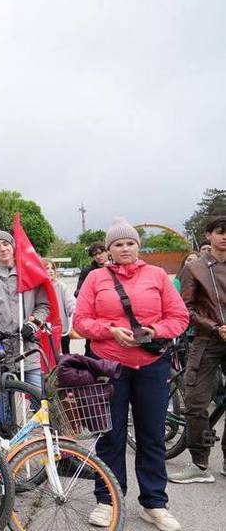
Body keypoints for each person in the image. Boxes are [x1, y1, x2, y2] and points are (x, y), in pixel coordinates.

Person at [74, 218, 189, 531]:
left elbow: (179, 317)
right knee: (110, 436)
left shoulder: (157, 276)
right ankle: (107, 499)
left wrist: (153, 331)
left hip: (152, 366)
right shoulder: (96, 278)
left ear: (139, 246)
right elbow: (81, 320)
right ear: (109, 250)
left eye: (130, 243)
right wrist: (110, 331)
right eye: (118, 244)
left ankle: (154, 503)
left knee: (152, 435)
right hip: (108, 365)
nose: (124, 249)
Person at [169, 216, 226, 484]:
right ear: (209, 235)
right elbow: (186, 309)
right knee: (196, 403)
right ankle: (200, 464)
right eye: (219, 232)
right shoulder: (195, 268)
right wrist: (215, 327)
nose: (224, 237)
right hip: (206, 339)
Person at [0, 230, 49, 392]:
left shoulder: (29, 274)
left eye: (6, 244)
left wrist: (32, 325)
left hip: (25, 347)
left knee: (40, 399)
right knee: (2, 405)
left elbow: (43, 306)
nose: (2, 248)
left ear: (13, 246)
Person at [44, 259, 76, 355]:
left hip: (61, 331)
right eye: (47, 268)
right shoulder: (37, 289)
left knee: (64, 360)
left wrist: (77, 315)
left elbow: (71, 305)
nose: (51, 271)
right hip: (44, 333)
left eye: (52, 268)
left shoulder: (61, 287)